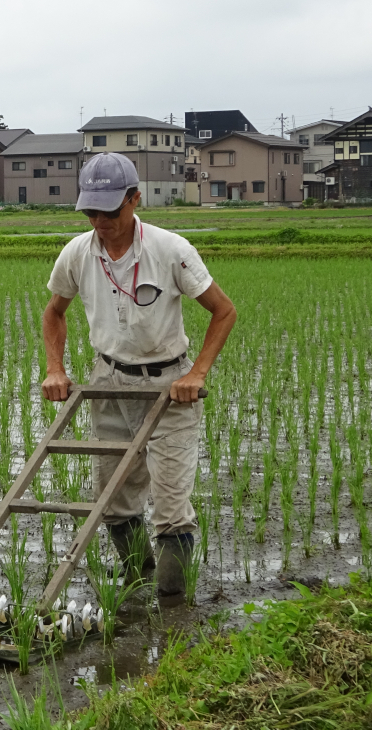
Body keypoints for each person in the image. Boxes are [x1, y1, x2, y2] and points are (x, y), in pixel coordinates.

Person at [41, 152, 236, 597]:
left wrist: (197, 375)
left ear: (134, 199)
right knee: (112, 499)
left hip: (169, 388)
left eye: (109, 211)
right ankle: (134, 584)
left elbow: (224, 312)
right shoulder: (77, 253)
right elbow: (54, 312)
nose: (100, 221)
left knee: (170, 506)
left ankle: (173, 606)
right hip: (107, 384)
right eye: (91, 211)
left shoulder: (170, 250)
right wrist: (56, 368)